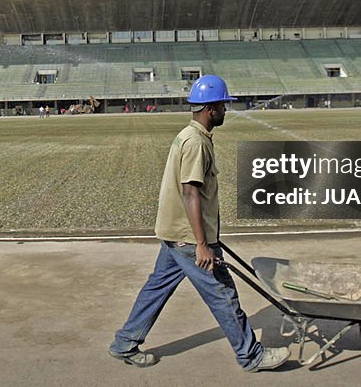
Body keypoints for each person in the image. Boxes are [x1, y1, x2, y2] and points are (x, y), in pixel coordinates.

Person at [109, 75, 290, 372]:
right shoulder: (196, 143)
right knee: (223, 294)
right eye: (222, 104)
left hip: (173, 233)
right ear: (210, 108)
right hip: (189, 239)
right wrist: (203, 244)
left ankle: (124, 342)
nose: (225, 110)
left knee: (156, 288)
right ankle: (251, 356)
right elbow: (190, 191)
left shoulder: (189, 136)